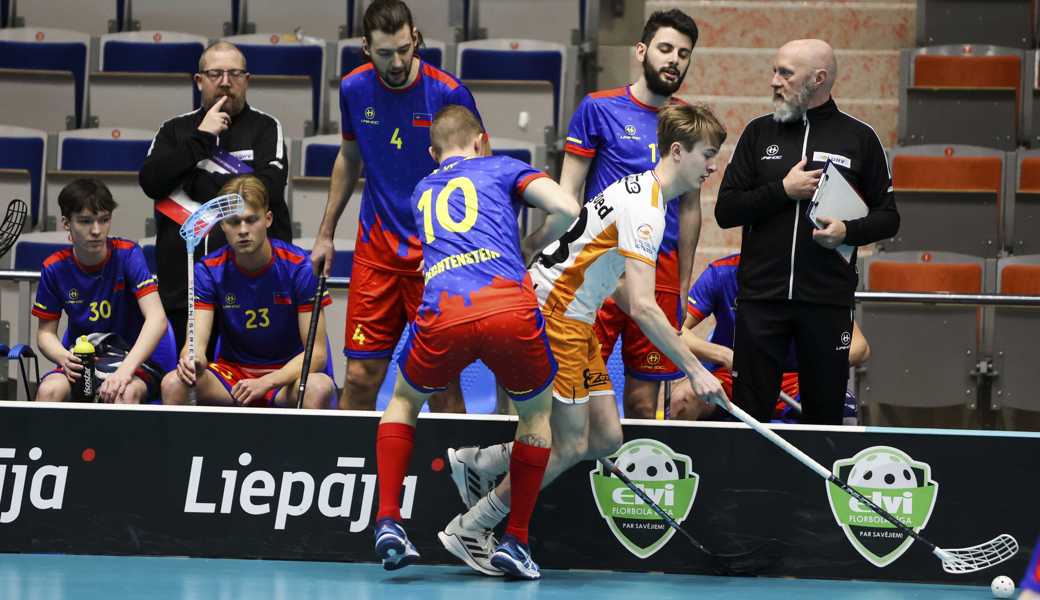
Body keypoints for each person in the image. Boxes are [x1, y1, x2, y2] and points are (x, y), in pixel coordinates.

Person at [440, 104, 729, 576]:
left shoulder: (638, 190)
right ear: (678, 151)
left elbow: (605, 270)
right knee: (569, 445)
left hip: (576, 313)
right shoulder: (648, 211)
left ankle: (481, 462)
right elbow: (640, 305)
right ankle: (473, 526)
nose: (712, 166)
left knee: (606, 437)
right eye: (708, 155)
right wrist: (696, 370)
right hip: (557, 314)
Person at [372, 106, 578, 579]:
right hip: (506, 303)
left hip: (443, 309)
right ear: (482, 141)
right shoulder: (503, 166)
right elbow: (567, 207)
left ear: (432, 153)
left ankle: (388, 519)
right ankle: (516, 540)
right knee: (536, 416)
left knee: (403, 402)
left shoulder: (422, 190)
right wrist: (532, 248)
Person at [713, 38, 899, 425]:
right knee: (749, 416)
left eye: (784, 73)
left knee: (825, 417)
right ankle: (747, 487)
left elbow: (889, 218)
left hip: (827, 303)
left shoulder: (860, 138)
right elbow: (726, 210)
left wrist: (847, 230)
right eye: (774, 70)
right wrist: (782, 190)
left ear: (819, 79)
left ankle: (817, 487)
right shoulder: (758, 133)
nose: (773, 81)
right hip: (761, 300)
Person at [311, 0, 481, 413]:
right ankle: (350, 475)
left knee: (441, 384)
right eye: (386, 53)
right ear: (367, 49)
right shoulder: (354, 89)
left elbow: (480, 174)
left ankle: (455, 475)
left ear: (416, 39)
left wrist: (456, 246)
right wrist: (326, 234)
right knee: (358, 377)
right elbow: (349, 158)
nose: (398, 61)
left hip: (436, 257)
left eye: (405, 49)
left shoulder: (448, 93)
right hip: (377, 254)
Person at [561, 9, 703, 419]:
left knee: (643, 402)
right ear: (642, 51)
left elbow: (690, 208)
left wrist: (681, 283)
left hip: (660, 270)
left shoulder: (687, 123)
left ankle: (633, 483)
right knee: (578, 392)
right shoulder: (598, 108)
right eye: (665, 48)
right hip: (602, 268)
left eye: (683, 53)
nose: (674, 59)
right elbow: (570, 194)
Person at [139, 41, 291, 353]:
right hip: (183, 291)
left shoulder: (266, 128)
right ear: (199, 80)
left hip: (254, 293)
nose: (225, 81)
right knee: (186, 383)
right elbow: (152, 182)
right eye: (216, 73)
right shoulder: (174, 131)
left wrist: (197, 181)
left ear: (246, 80)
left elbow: (269, 189)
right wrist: (201, 139)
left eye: (234, 73)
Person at [160, 176, 333, 409]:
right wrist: (193, 360)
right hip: (234, 375)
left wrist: (268, 381)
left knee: (319, 387)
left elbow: (318, 355)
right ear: (222, 225)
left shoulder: (300, 267)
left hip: (286, 375)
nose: (243, 230)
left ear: (268, 219)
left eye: (251, 220)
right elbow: (196, 343)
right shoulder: (209, 270)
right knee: (172, 384)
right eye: (234, 222)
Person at [669, 253, 870, 422]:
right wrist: (723, 355)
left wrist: (812, 367)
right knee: (682, 399)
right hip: (734, 375)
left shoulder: (814, 277)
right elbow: (674, 329)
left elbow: (860, 347)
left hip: (797, 380)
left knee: (844, 412)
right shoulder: (722, 273)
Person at [32, 178, 173, 403]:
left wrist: (124, 371)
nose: (96, 230)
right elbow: (45, 333)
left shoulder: (128, 255)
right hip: (83, 362)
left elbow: (157, 319)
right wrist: (64, 357)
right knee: (49, 391)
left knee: (124, 394)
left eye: (104, 220)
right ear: (66, 223)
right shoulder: (54, 268)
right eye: (85, 221)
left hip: (131, 362)